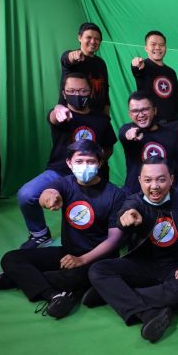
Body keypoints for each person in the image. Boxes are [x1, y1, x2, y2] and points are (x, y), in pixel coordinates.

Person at [87, 157, 178, 343]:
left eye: (161, 179)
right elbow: (126, 212)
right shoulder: (134, 201)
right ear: (140, 181)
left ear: (171, 179)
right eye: (148, 180)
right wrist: (126, 218)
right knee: (98, 270)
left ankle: (113, 294)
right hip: (142, 265)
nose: (154, 186)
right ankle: (149, 313)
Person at [0, 140, 125, 319]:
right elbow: (47, 194)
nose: (85, 166)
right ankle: (53, 295)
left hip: (97, 259)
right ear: (69, 163)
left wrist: (82, 259)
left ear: (100, 163)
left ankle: (19, 278)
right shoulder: (65, 183)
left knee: (72, 276)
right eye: (79, 161)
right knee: (11, 258)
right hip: (67, 252)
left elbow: (114, 240)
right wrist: (49, 199)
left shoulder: (115, 194)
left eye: (90, 161)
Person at [16, 73, 117, 249]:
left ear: (91, 92)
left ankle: (100, 237)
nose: (77, 95)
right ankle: (39, 234)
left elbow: (108, 147)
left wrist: (95, 166)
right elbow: (54, 117)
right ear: (63, 93)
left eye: (82, 91)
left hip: (91, 174)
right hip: (59, 171)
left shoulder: (101, 120)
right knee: (26, 194)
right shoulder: (62, 115)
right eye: (71, 91)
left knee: (102, 208)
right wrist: (58, 110)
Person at [118, 91, 178, 194]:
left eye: (145, 109)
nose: (141, 114)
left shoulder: (171, 134)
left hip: (164, 196)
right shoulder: (129, 130)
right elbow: (123, 133)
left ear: (154, 110)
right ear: (130, 114)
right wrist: (129, 134)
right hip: (134, 196)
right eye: (135, 111)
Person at [131, 30, 178, 127]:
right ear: (146, 48)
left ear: (166, 48)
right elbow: (136, 69)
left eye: (161, 45)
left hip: (173, 122)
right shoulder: (143, 66)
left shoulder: (171, 72)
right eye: (153, 44)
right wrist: (135, 63)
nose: (158, 47)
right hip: (152, 123)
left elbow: (175, 97)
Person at [59, 23, 110, 115]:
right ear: (80, 38)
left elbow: (105, 90)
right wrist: (73, 56)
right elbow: (65, 59)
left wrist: (106, 113)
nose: (93, 41)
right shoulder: (74, 58)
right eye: (89, 37)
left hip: (97, 115)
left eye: (97, 39)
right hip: (72, 115)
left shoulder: (101, 63)